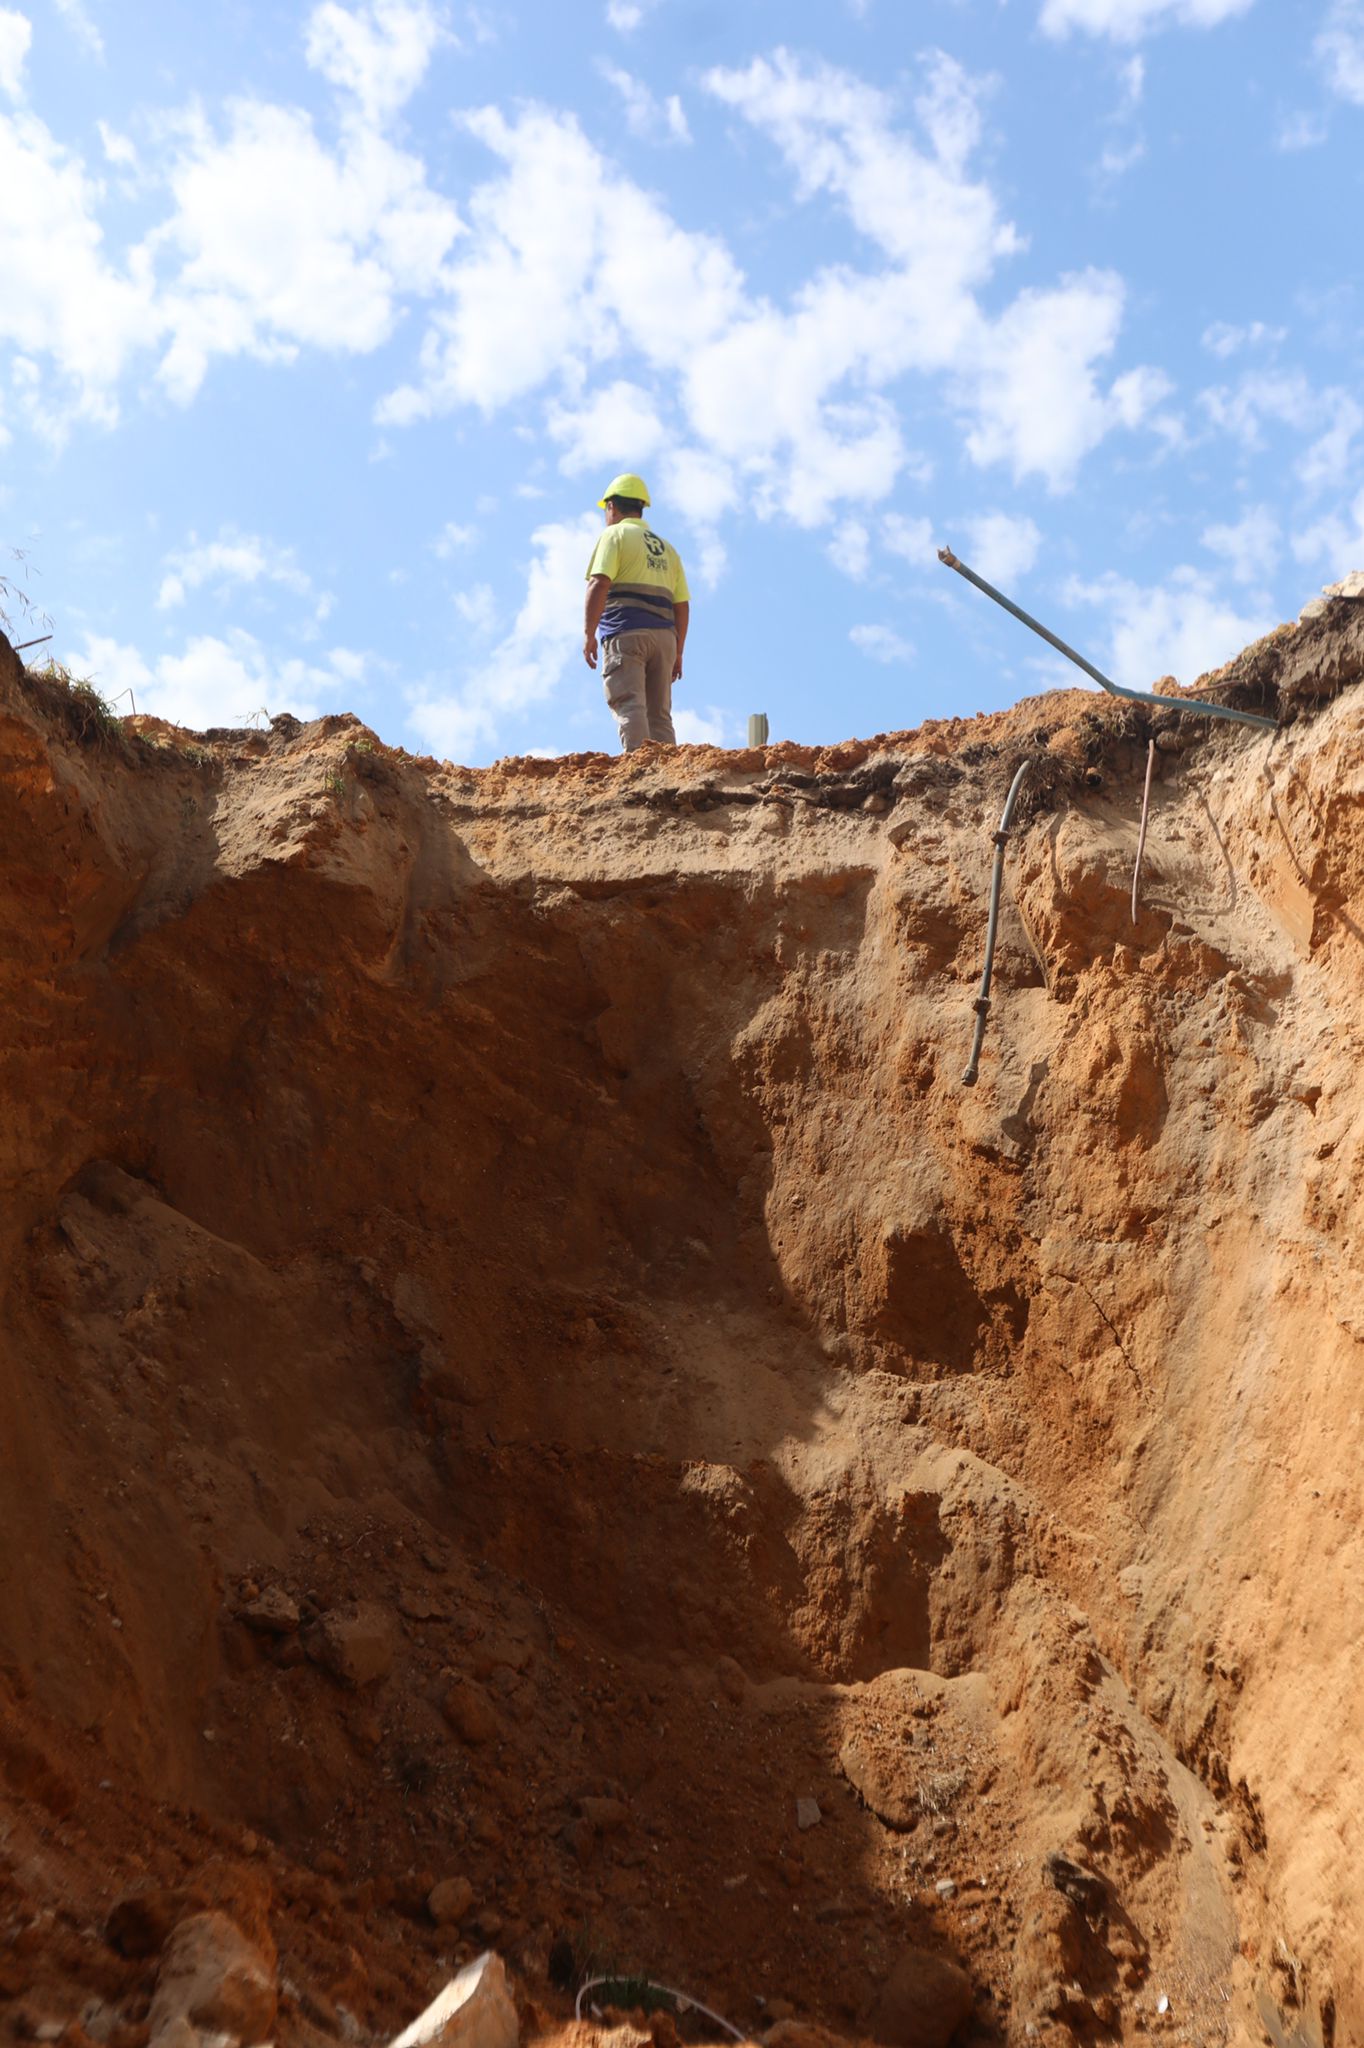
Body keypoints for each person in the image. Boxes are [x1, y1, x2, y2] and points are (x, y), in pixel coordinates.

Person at [583, 473, 690, 751]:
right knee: (659, 714)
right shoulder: (668, 549)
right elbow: (682, 605)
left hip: (626, 633)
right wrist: (678, 651)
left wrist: (588, 634)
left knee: (631, 705)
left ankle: (640, 771)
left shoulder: (614, 535)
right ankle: (669, 774)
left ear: (611, 507)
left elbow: (599, 583)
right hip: (665, 639)